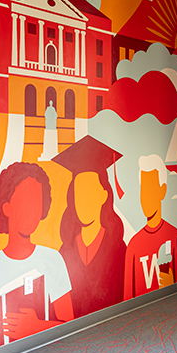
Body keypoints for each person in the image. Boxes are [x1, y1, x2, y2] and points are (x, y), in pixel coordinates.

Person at [0, 162, 73, 353]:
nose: (31, 210)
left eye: (37, 202)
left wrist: (36, 327)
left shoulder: (52, 260)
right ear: (6, 207)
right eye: (24, 201)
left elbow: (69, 324)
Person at [53, 135, 126, 318]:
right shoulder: (65, 252)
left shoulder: (118, 249)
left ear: (103, 195)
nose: (83, 201)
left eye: (89, 191)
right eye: (79, 192)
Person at [124, 154, 177, 300]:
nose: (146, 197)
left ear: (162, 191)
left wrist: (172, 283)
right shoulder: (134, 245)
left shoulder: (173, 235)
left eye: (150, 189)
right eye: (143, 190)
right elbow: (127, 297)